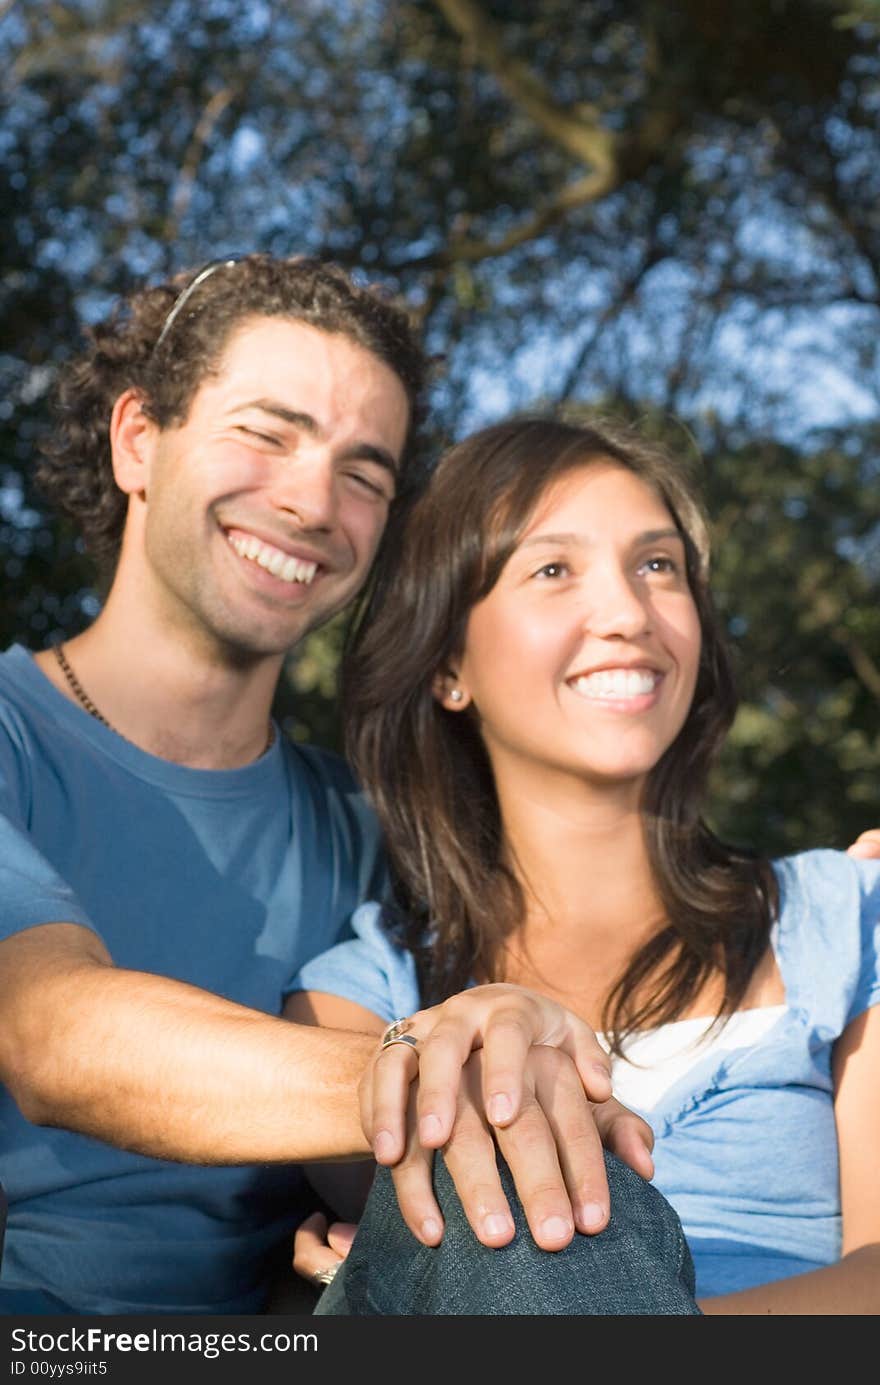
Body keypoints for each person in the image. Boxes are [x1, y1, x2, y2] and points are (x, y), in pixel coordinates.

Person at [0, 258, 661, 1316]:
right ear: (139, 441)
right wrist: (422, 1069)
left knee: (553, 1198)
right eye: (266, 432)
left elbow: (592, 883)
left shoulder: (369, 819)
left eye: (364, 472)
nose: (313, 501)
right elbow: (52, 1034)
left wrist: (835, 894)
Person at [288, 414, 880, 1314]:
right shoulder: (365, 987)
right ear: (450, 663)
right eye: (554, 569)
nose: (628, 614)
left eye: (658, 566)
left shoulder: (845, 914)